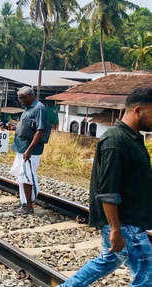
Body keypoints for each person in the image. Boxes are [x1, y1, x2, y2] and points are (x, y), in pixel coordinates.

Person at [59, 88, 152, 287]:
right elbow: (108, 191)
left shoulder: (133, 138)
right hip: (126, 222)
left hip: (130, 220)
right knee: (147, 275)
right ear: (138, 110)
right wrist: (115, 229)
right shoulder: (116, 140)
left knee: (108, 261)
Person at [9, 87, 51, 215]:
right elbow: (29, 125)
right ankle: (24, 203)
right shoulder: (28, 108)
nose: (20, 101)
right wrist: (15, 127)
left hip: (30, 151)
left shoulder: (39, 108)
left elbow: (40, 131)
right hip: (22, 148)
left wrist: (29, 150)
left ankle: (29, 206)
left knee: (26, 177)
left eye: (21, 98)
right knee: (21, 176)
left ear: (29, 96)